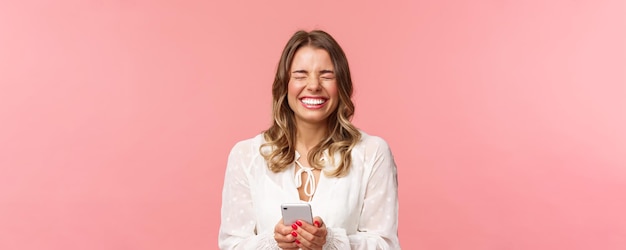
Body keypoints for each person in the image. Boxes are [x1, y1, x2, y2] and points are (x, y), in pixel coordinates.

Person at [218, 30, 400, 249]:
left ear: (341, 84)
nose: (313, 85)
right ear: (285, 85)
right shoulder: (247, 155)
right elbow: (232, 245)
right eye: (300, 75)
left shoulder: (372, 153)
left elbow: (386, 245)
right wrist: (274, 242)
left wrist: (330, 241)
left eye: (326, 75)